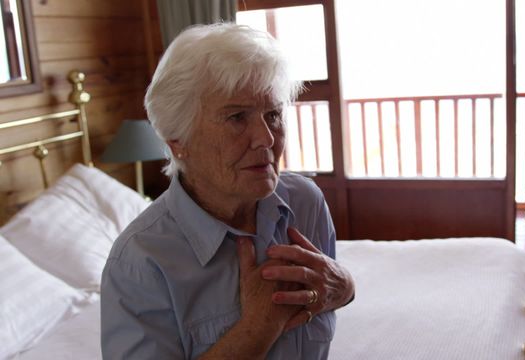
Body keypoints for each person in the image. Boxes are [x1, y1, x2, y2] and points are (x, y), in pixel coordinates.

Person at [100, 23, 355, 359]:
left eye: (273, 114)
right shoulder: (140, 262)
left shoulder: (304, 201)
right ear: (179, 141)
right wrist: (256, 329)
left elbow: (328, 300)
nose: (265, 138)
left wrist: (346, 287)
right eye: (237, 117)